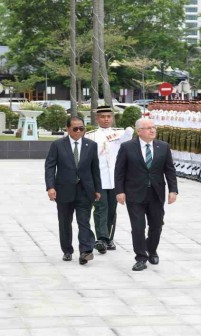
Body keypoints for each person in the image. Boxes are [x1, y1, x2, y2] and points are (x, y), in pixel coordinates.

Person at [114, 117, 179, 272]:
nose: (152, 130)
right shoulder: (127, 147)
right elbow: (119, 171)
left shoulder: (163, 147)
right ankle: (141, 257)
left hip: (156, 193)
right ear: (139, 131)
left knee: (156, 225)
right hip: (134, 193)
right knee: (138, 227)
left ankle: (152, 250)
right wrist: (119, 191)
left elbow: (169, 170)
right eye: (148, 128)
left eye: (153, 127)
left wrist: (173, 190)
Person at [45, 116, 102, 265]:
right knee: (65, 222)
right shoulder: (57, 145)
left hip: (85, 190)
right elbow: (50, 167)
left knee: (84, 221)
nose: (78, 131)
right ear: (68, 129)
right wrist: (50, 187)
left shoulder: (92, 145)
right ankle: (67, 250)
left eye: (81, 128)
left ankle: (85, 251)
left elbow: (95, 169)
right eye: (75, 128)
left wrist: (98, 189)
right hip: (64, 190)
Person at [86, 106, 133, 253]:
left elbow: (128, 137)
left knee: (112, 209)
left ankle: (109, 238)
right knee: (101, 207)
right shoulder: (90, 135)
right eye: (102, 117)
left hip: (115, 179)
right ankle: (101, 238)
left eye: (108, 116)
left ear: (112, 118)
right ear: (97, 118)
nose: (106, 119)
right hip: (98, 178)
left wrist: (130, 130)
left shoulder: (119, 133)